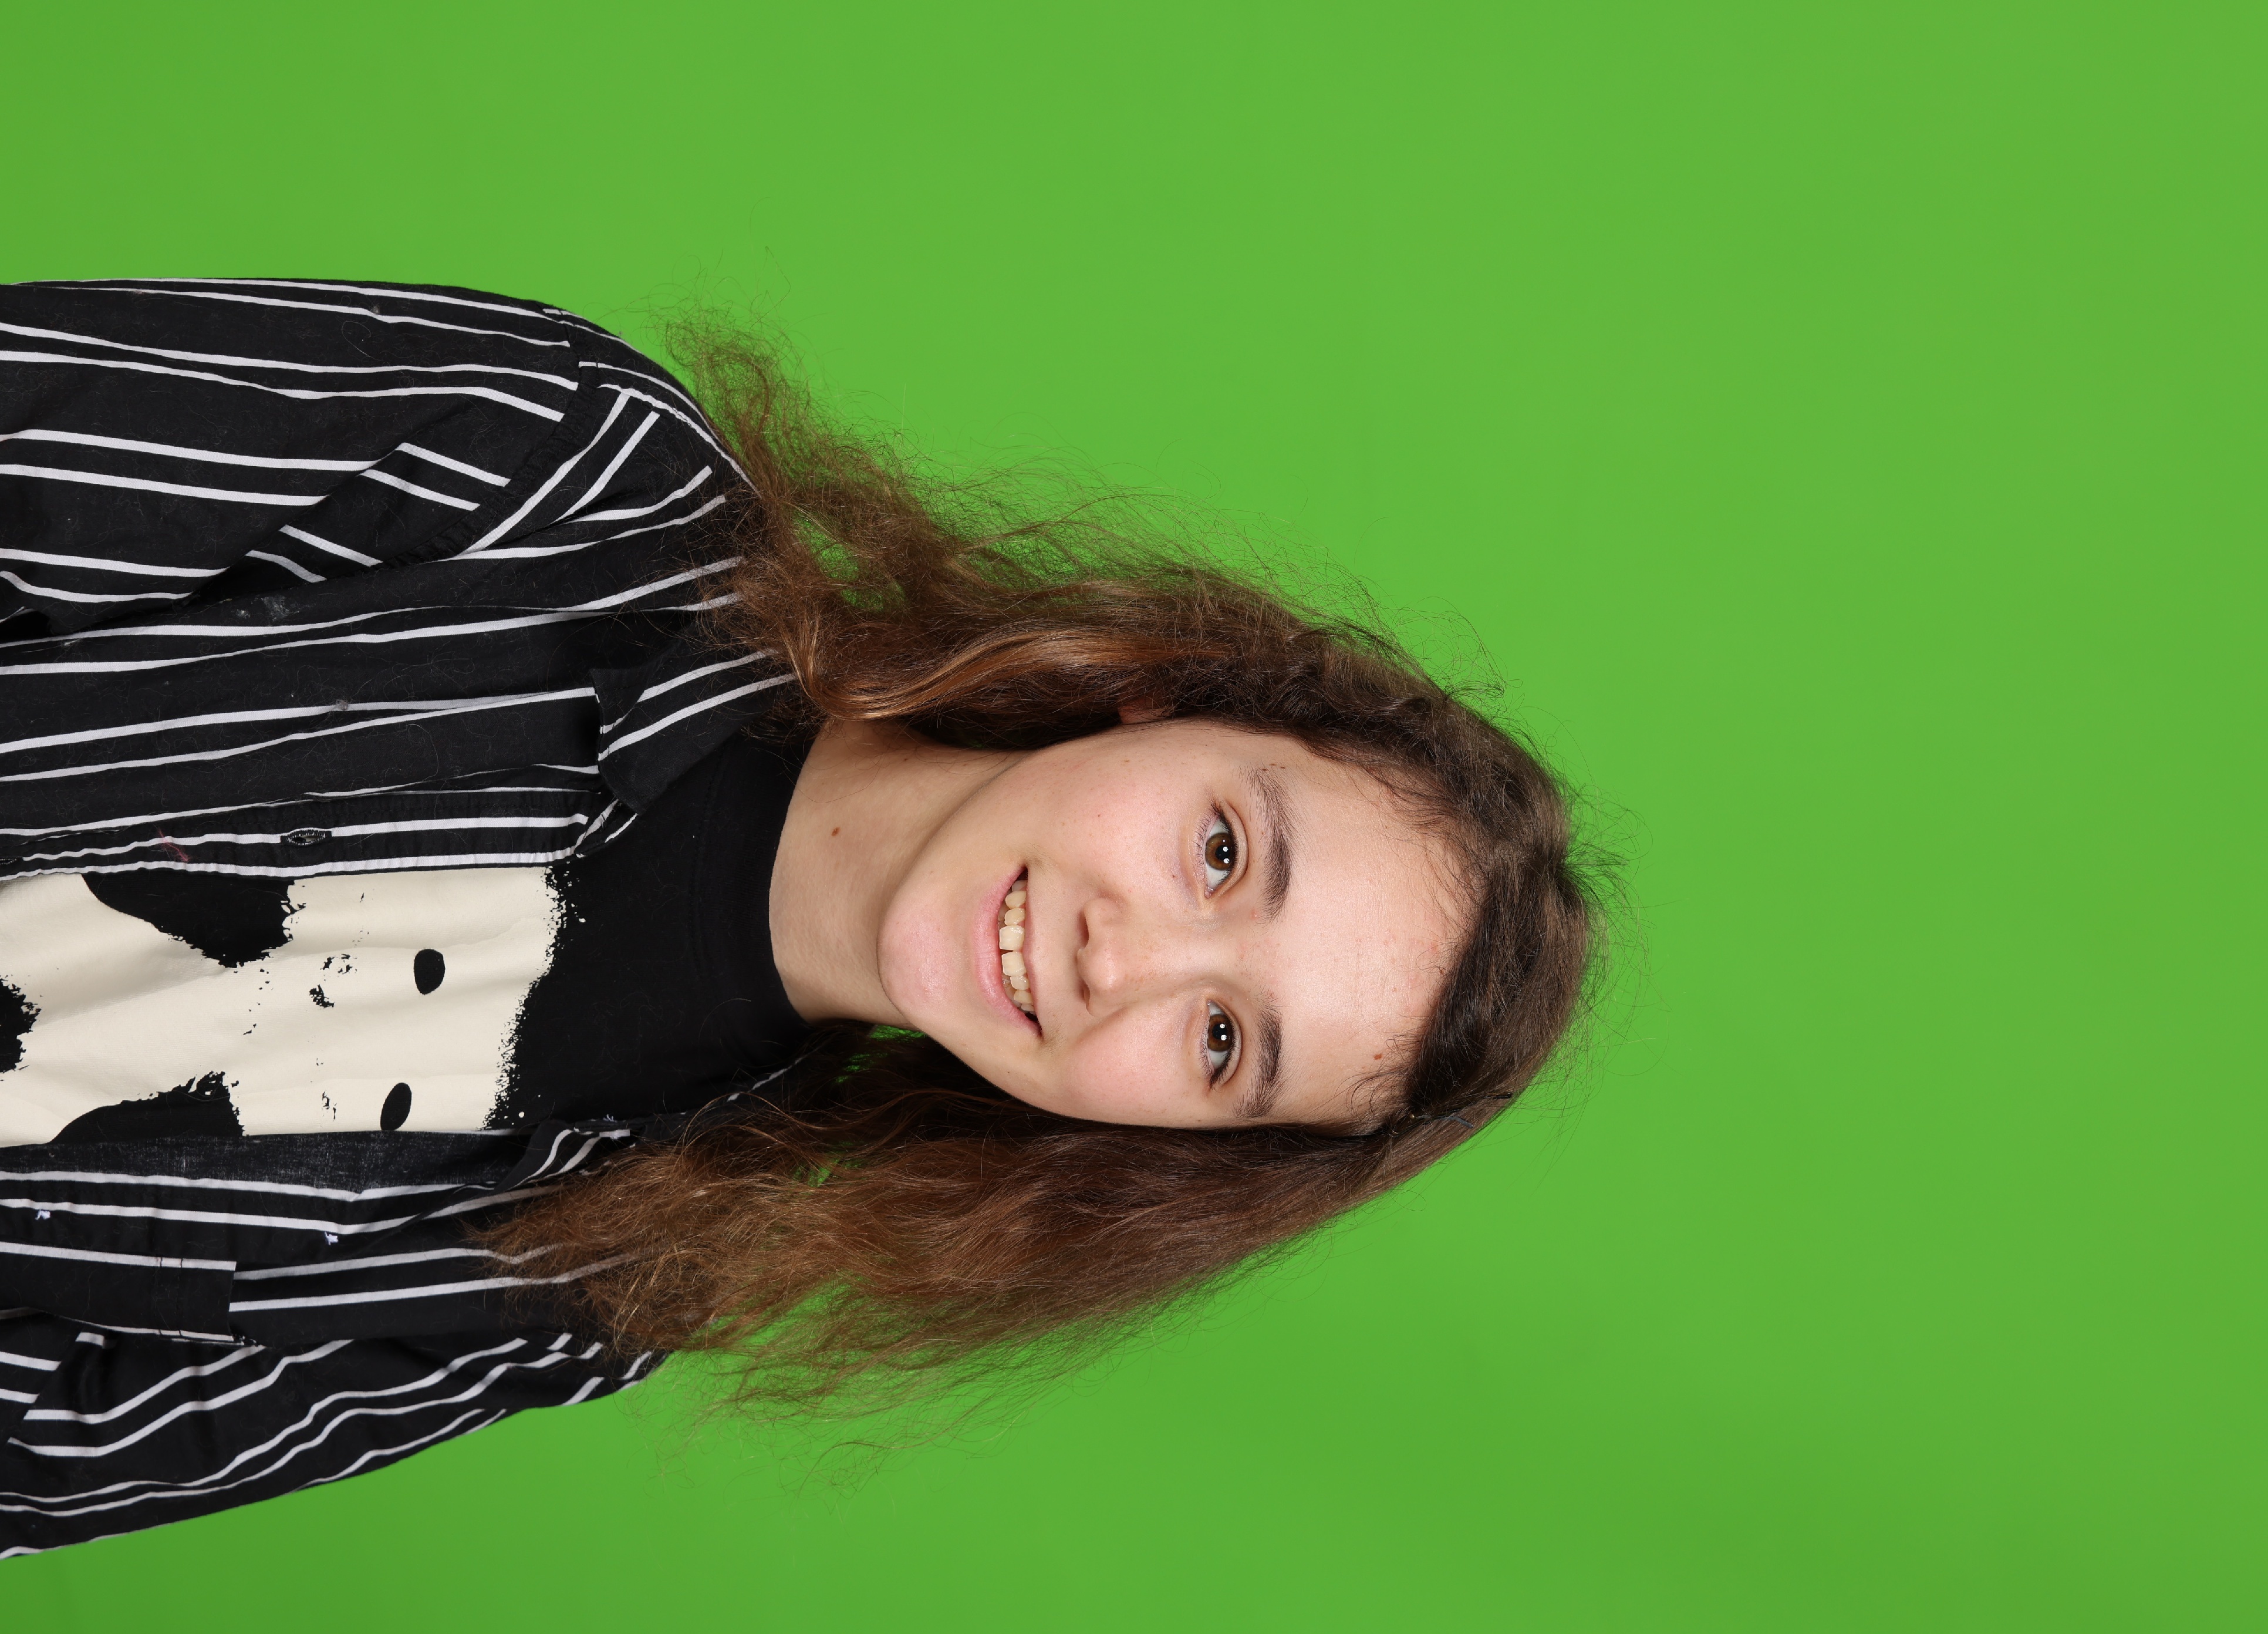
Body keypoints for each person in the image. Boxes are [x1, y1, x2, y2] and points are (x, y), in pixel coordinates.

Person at [0, 278, 1600, 1556]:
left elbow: (54, 1442)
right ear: (1161, 698)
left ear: (1168, 1145)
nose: (1128, 961)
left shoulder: (615, 1277)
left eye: (1226, 1042)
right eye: (1226, 853)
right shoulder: (577, 476)